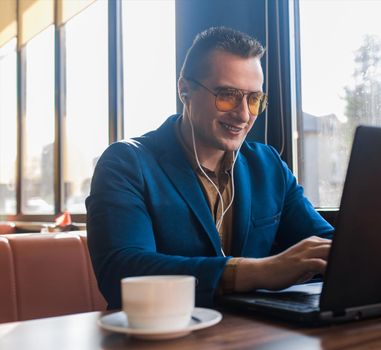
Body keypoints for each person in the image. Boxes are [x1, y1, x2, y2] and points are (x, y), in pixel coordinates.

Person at [86, 27, 334, 309]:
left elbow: (325, 241)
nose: (243, 114)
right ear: (184, 90)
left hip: (252, 334)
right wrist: (261, 271)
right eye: (227, 95)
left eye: (254, 99)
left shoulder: (268, 165)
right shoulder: (125, 162)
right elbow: (121, 271)